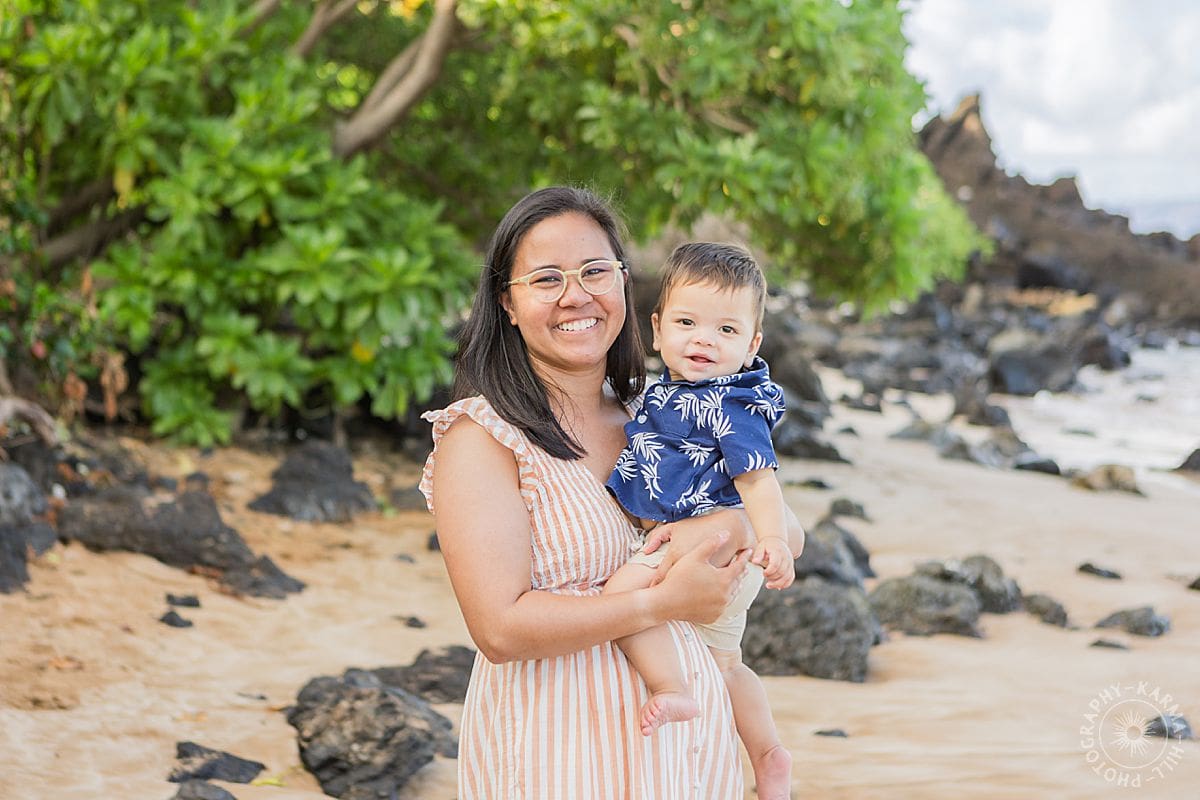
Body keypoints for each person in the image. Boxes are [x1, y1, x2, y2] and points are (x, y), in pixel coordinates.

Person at [420, 186, 803, 799]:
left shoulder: (658, 412)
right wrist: (660, 603)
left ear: (624, 283)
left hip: (690, 757)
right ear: (507, 303)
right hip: (562, 754)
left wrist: (727, 528)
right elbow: (499, 629)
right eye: (546, 279)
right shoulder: (483, 438)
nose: (577, 295)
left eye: (595, 270)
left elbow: (784, 526)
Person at [603, 242, 800, 799]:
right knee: (727, 664)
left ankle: (670, 687)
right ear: (658, 328)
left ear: (752, 343)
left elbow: (759, 480)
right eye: (687, 323)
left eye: (726, 331)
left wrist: (774, 541)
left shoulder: (728, 405)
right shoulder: (667, 390)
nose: (703, 340)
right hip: (727, 557)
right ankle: (768, 755)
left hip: (710, 547)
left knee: (621, 598)